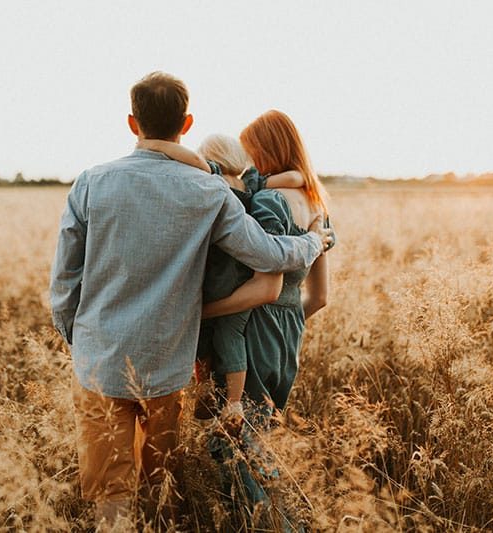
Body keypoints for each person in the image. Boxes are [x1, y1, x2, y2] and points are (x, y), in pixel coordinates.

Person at [49, 73, 332, 529]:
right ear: (187, 121)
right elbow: (267, 252)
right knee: (163, 485)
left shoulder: (90, 182)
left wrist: (76, 338)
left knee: (111, 490)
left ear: (131, 121)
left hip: (98, 360)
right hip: (167, 364)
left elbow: (64, 280)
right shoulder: (208, 191)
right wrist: (314, 243)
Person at [141, 110, 334, 529]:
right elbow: (319, 297)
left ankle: (283, 525)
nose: (248, 159)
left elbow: (264, 287)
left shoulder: (267, 201)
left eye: (253, 149)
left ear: (266, 150)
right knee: (256, 444)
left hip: (252, 331)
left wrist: (199, 314)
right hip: (288, 337)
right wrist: (285, 324)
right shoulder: (319, 207)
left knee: (237, 451)